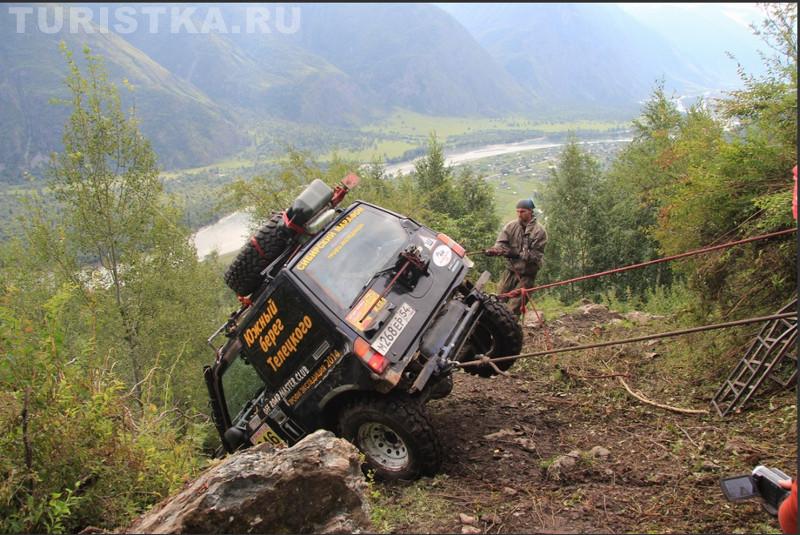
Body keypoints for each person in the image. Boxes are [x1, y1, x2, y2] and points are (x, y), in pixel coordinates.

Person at [485, 198, 547, 317]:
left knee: (514, 308)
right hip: (510, 271)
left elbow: (536, 255)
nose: (519, 214)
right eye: (517, 211)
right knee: (498, 302)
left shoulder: (540, 232)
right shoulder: (510, 226)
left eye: (522, 211)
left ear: (530, 211)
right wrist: (496, 250)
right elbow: (501, 243)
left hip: (527, 275)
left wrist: (517, 254)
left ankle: (508, 331)